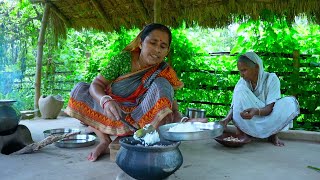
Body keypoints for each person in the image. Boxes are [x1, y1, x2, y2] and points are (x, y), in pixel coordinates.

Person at [65, 23, 207, 162]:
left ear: (167, 51)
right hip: (111, 111)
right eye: (153, 43)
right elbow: (97, 84)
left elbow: (170, 103)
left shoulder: (163, 71)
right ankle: (104, 140)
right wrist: (106, 101)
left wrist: (184, 122)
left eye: (163, 46)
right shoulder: (123, 59)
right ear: (140, 43)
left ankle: (141, 138)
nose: (157, 49)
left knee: (163, 83)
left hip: (138, 116)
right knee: (79, 90)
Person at [220, 51, 300, 146]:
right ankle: (243, 133)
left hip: (267, 115)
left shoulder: (271, 79)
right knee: (240, 90)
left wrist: (256, 111)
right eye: (240, 71)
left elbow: (270, 108)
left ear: (257, 67)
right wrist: (226, 119)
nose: (241, 75)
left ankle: (272, 134)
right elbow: (235, 106)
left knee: (289, 103)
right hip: (249, 119)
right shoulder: (242, 83)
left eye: (244, 70)